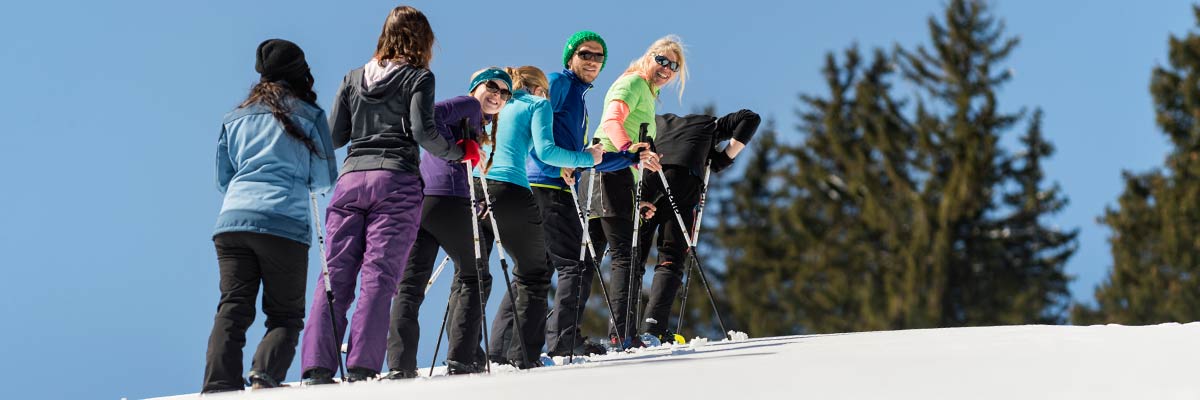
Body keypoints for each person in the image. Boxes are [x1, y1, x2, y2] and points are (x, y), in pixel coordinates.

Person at [299, 6, 479, 384]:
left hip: (350, 181)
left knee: (334, 274)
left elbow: (334, 136)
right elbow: (423, 132)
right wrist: (460, 151)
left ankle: (317, 366)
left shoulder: (353, 78)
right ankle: (364, 365)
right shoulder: (419, 77)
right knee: (378, 275)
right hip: (395, 181)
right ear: (423, 40)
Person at [203, 39, 337, 393]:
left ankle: (218, 384)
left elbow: (223, 178)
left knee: (232, 307)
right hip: (284, 223)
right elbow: (324, 178)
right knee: (285, 315)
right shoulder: (310, 115)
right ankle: (264, 375)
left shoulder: (235, 117)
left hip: (233, 220)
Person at [535, 31, 658, 357]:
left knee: (564, 265)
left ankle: (542, 341)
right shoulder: (562, 84)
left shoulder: (579, 94)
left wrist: (629, 159)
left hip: (576, 183)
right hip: (551, 185)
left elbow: (592, 153)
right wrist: (628, 148)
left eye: (598, 56)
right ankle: (603, 337)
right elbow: (536, 133)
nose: (592, 61)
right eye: (585, 54)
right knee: (597, 261)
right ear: (570, 56)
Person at [383, 68, 512, 378]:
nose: (497, 95)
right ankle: (462, 357)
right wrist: (457, 152)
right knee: (475, 276)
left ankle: (400, 364)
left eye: (505, 93)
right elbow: (429, 118)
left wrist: (472, 192)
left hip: (424, 201)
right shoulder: (468, 105)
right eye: (492, 86)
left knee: (410, 286)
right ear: (476, 87)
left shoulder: (476, 122)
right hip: (449, 201)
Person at [479, 65, 603, 368]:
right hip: (530, 189)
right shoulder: (539, 103)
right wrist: (588, 157)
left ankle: (496, 348)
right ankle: (558, 342)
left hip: (481, 187)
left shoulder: (501, 106)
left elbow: (528, 148)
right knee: (567, 265)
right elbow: (546, 150)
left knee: (522, 270)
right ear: (539, 88)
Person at [590, 35, 687, 348]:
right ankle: (622, 335)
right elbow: (611, 121)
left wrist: (637, 197)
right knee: (625, 258)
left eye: (674, 65)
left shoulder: (648, 91)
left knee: (589, 258)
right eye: (662, 59)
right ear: (650, 56)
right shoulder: (633, 83)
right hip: (610, 169)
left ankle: (562, 336)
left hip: (608, 175)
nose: (666, 68)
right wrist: (629, 149)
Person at [635, 109, 761, 342]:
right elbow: (750, 118)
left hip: (648, 174)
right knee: (671, 255)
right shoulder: (710, 124)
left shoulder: (656, 121)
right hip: (684, 176)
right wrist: (724, 157)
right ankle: (653, 328)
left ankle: (621, 329)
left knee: (633, 255)